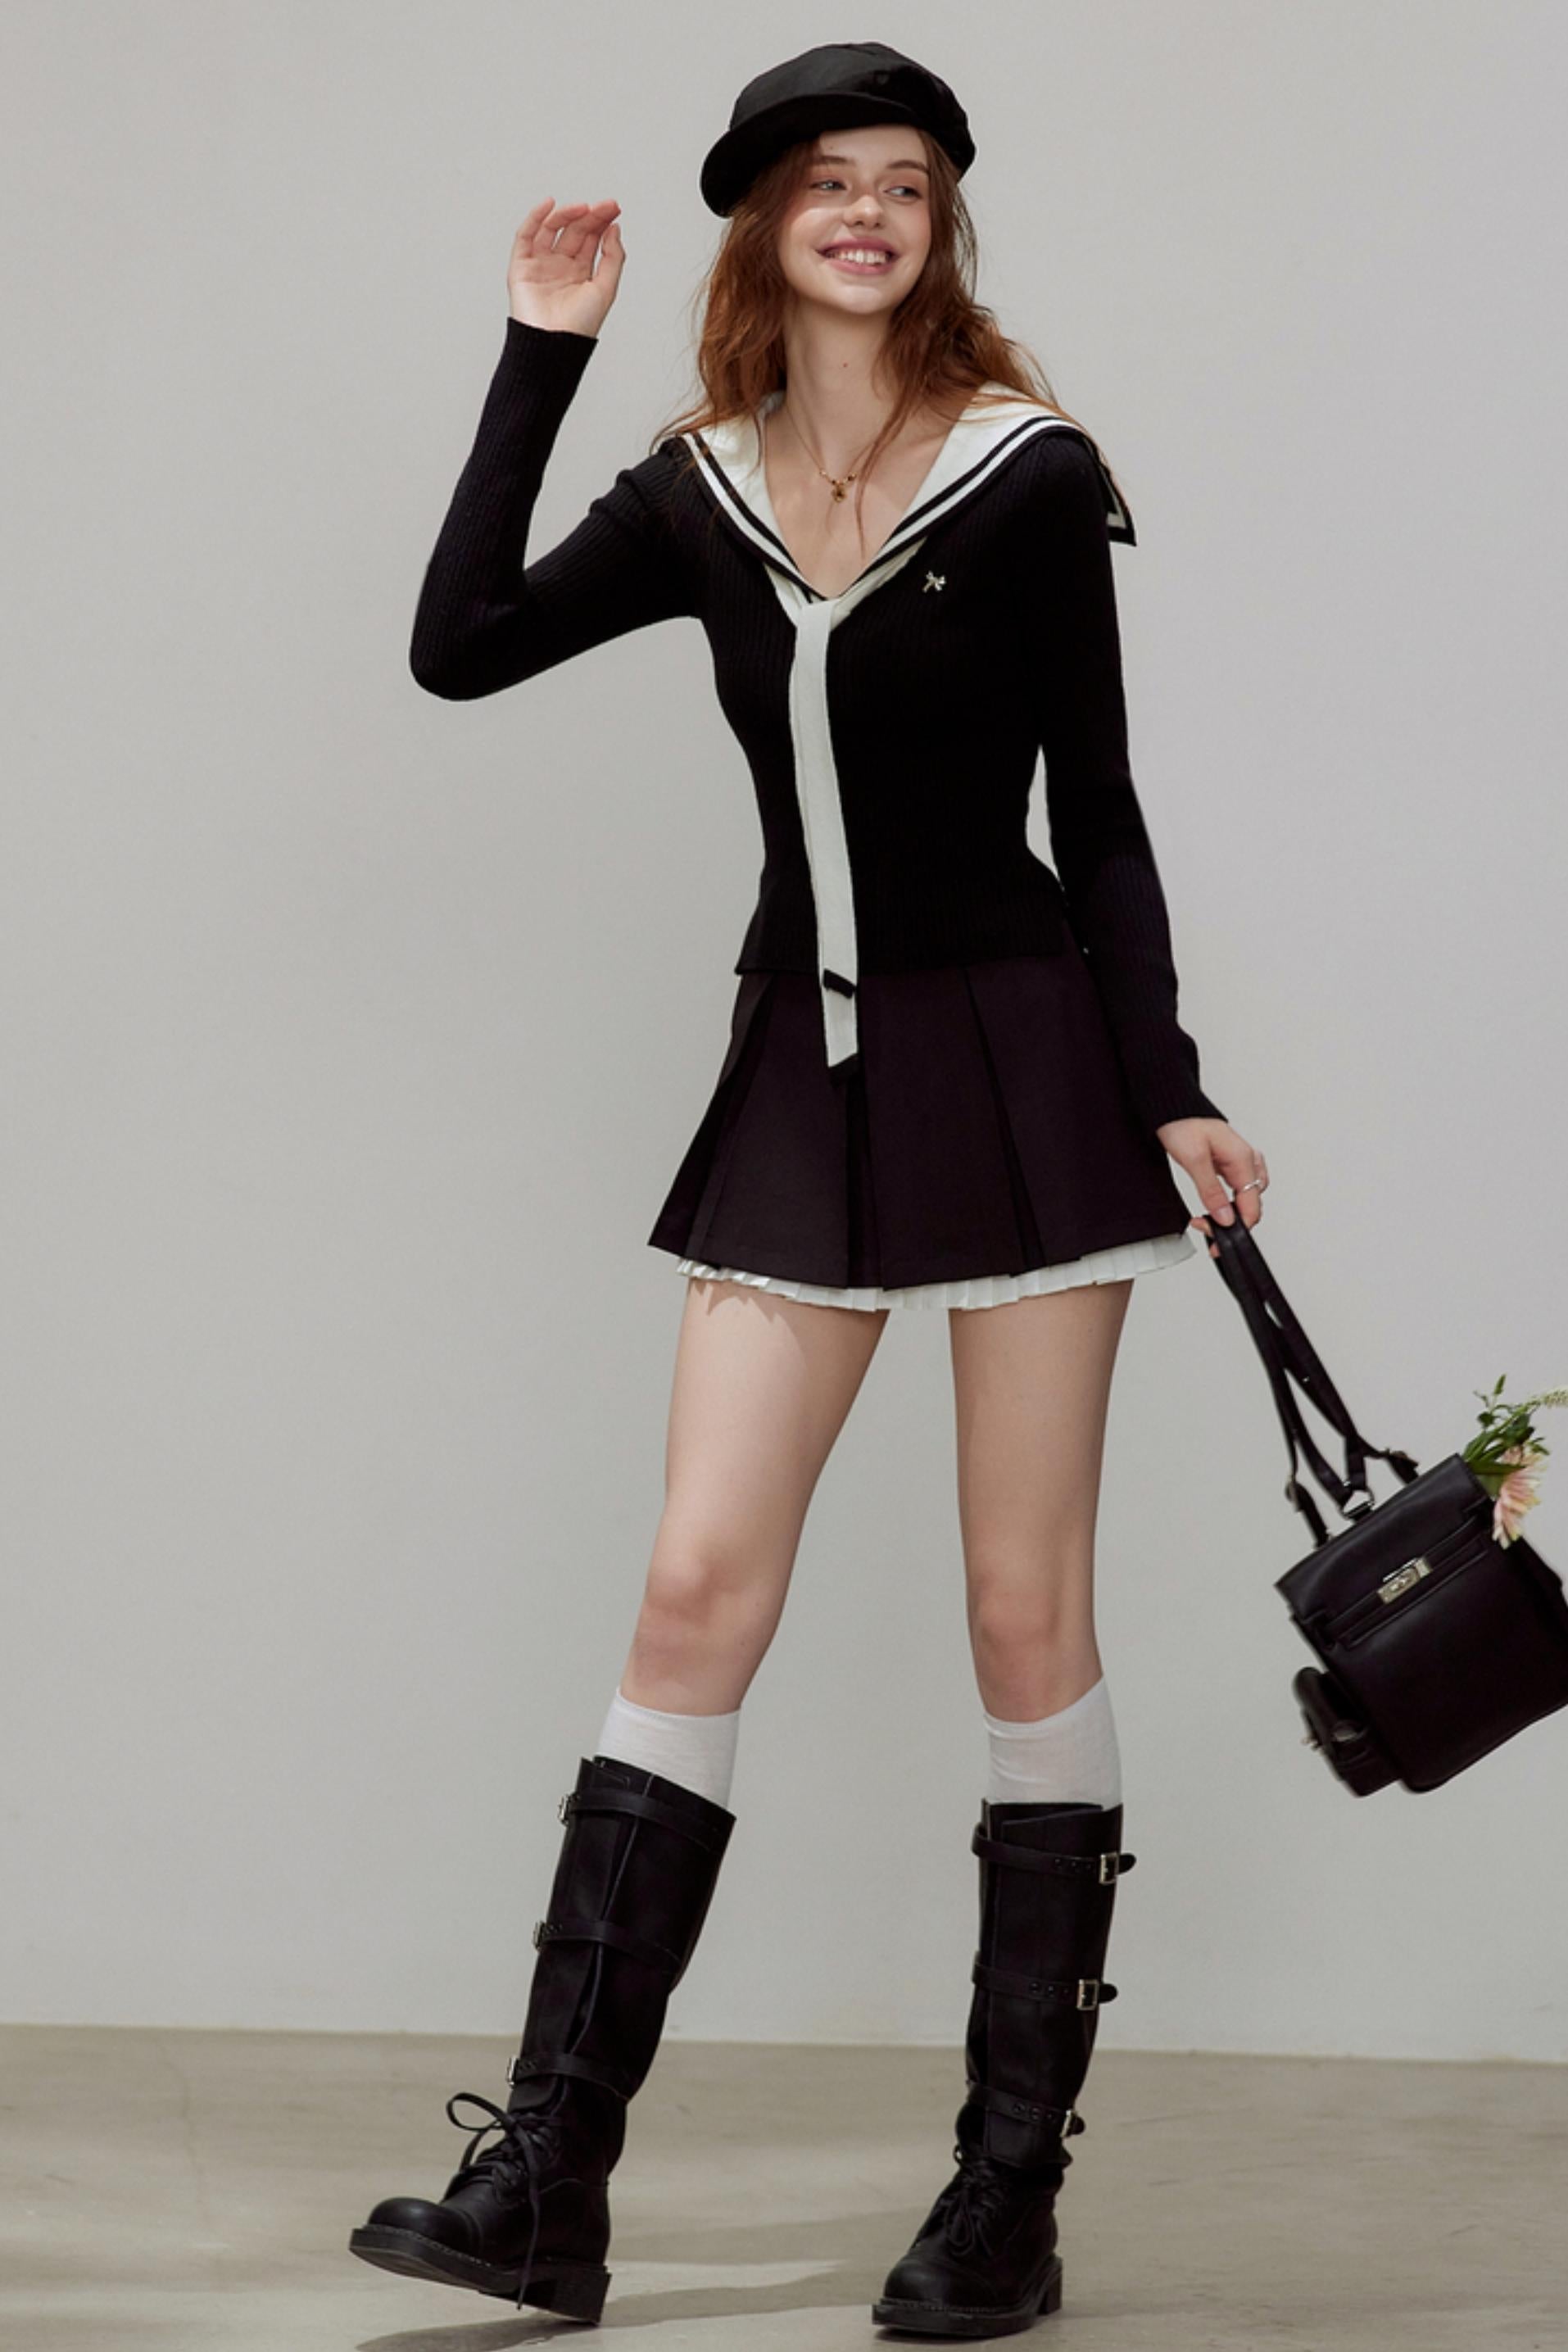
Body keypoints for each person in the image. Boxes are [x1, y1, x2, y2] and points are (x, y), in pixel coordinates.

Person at [348, 39, 1266, 2340]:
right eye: (827, 181)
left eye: (906, 182)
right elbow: (456, 648)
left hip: (1026, 1063)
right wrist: (538, 350)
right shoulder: (700, 492)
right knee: (691, 1594)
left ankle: (1004, 2198)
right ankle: (545, 2180)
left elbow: (1102, 811)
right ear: (764, 224)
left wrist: (1164, 1082)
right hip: (805, 1061)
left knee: (1020, 1614)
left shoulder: (1025, 473)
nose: (868, 210)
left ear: (942, 225)